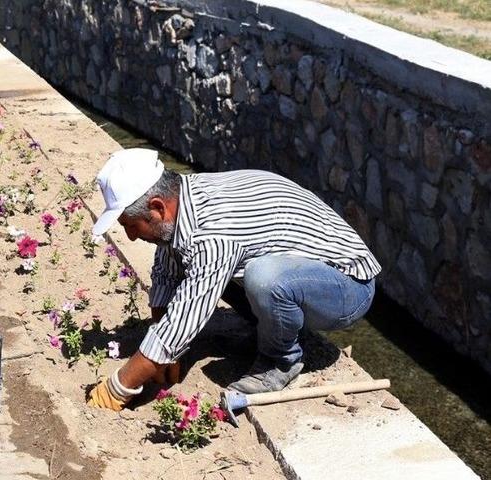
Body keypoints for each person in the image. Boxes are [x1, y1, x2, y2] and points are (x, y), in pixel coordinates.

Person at [86, 148, 380, 411]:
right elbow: (167, 271)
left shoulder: (213, 230)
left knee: (263, 279)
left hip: (347, 285)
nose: (131, 236)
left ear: (157, 207)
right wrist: (162, 342)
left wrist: (119, 386)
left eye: (130, 225)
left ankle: (280, 360)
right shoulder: (182, 199)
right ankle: (272, 330)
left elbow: (187, 313)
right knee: (215, 270)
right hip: (301, 270)